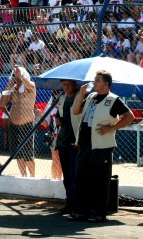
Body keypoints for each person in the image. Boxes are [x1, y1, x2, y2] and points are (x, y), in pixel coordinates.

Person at [67, 70, 135, 223]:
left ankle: (99, 212)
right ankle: (81, 210)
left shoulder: (113, 100)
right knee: (82, 177)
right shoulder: (91, 97)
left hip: (102, 146)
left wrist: (112, 128)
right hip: (85, 143)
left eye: (97, 80)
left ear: (106, 84)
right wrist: (81, 95)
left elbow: (130, 116)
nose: (94, 83)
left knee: (100, 180)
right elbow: (76, 111)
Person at [0, 66, 37, 177]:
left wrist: (21, 75)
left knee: (28, 155)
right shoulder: (13, 89)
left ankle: (32, 177)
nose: (15, 78)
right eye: (14, 76)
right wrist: (8, 87)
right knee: (18, 154)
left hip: (27, 125)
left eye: (17, 76)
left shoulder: (31, 86)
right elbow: (1, 104)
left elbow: (30, 85)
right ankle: (23, 176)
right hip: (14, 125)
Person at [55, 79, 81, 214]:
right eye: (64, 84)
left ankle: (78, 204)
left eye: (68, 84)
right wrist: (57, 119)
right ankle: (70, 202)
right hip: (63, 140)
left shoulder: (81, 97)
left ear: (74, 84)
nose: (66, 86)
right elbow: (58, 115)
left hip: (76, 142)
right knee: (67, 175)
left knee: (75, 173)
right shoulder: (61, 97)